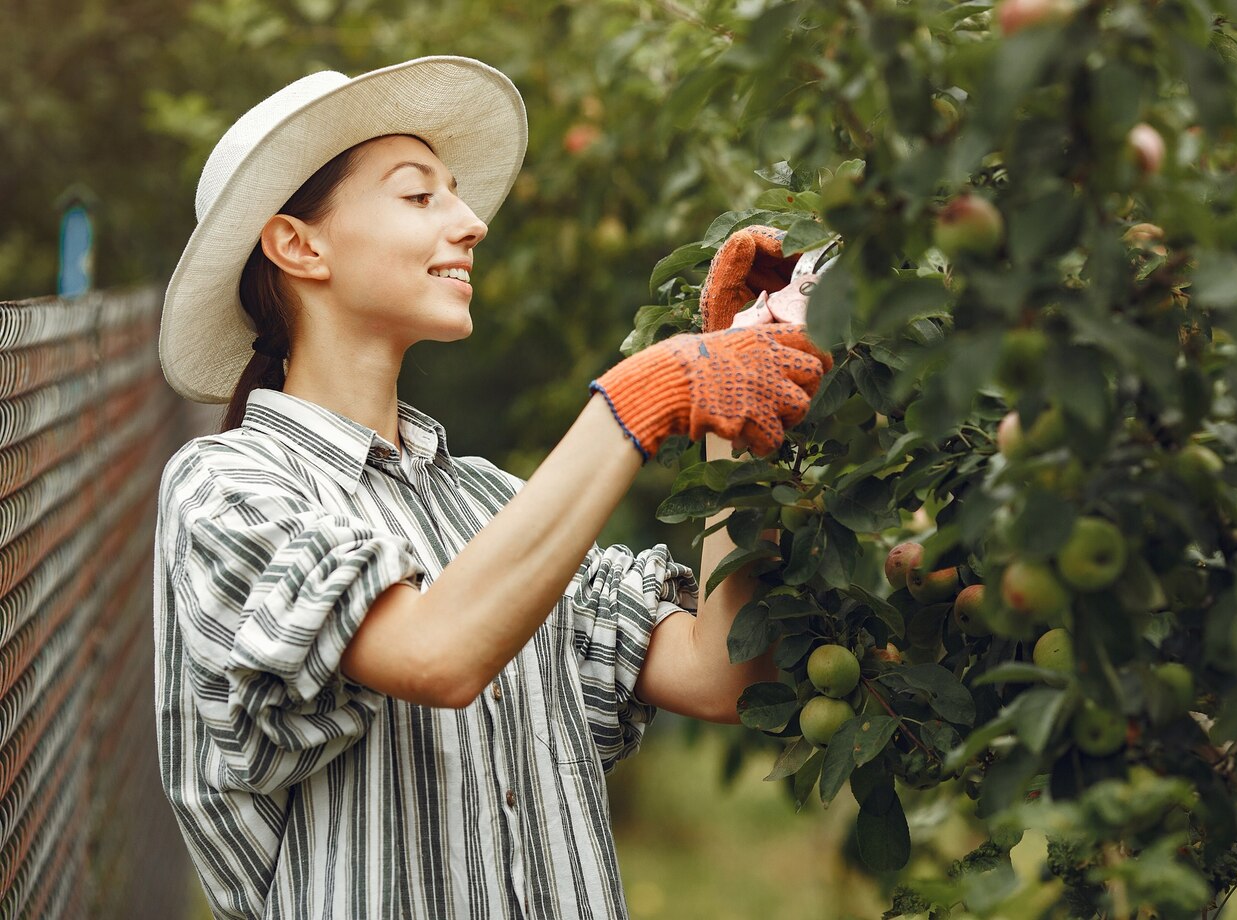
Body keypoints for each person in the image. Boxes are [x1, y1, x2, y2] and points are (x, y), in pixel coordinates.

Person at [152, 56, 830, 919]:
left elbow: (721, 675)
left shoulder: (486, 504)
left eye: (458, 194)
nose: (470, 223)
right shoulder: (227, 490)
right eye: (418, 195)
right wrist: (645, 393)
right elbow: (436, 655)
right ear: (298, 244)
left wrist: (733, 391)